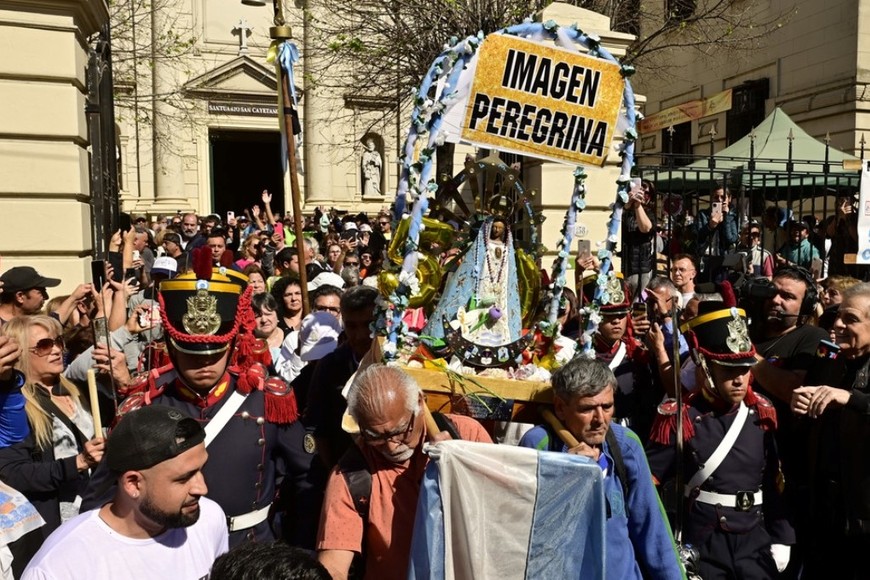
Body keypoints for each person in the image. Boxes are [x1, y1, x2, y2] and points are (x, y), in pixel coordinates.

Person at [82, 263, 325, 548]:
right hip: (167, 548)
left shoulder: (265, 400)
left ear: (232, 347)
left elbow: (309, 480)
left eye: (214, 354)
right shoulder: (145, 407)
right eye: (192, 355)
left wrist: (299, 548)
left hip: (249, 549)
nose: (204, 364)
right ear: (172, 347)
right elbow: (99, 500)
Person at [646, 306, 795, 578]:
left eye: (744, 369)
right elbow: (649, 486)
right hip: (705, 541)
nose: (739, 379)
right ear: (706, 366)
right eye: (728, 370)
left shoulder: (761, 412)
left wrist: (782, 535)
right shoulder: (681, 417)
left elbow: (773, 480)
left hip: (754, 540)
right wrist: (664, 543)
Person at [316, 364, 492, 580]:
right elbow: (333, 568)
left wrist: (462, 465)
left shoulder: (467, 435)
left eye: (399, 431)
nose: (391, 446)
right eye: (374, 436)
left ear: (420, 403)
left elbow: (502, 512)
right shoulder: (349, 477)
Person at [518, 357, 682, 579]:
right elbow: (524, 529)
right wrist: (565, 474)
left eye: (607, 406)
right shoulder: (539, 446)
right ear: (560, 408)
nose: (600, 419)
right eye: (586, 409)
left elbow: (652, 527)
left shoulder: (625, 445)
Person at [22, 405, 227, 579]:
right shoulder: (60, 566)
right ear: (133, 483)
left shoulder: (209, 519)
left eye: (201, 469)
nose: (202, 488)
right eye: (183, 478)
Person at [0, 315, 105, 575]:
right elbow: (12, 473)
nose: (58, 349)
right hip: (54, 529)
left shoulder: (75, 390)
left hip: (96, 515)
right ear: (19, 354)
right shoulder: (15, 408)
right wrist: (78, 463)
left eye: (58, 341)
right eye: (45, 345)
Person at [791, 281, 870, 578]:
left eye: (851, 318)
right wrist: (802, 405)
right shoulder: (831, 360)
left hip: (863, 520)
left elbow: (853, 403)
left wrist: (851, 398)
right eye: (838, 316)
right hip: (824, 511)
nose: (837, 324)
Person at [306, 286, 378, 469]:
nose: (360, 335)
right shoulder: (329, 366)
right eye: (352, 326)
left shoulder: (398, 361)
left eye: (368, 325)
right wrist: (332, 472)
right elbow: (318, 428)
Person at [694, 185, 739, 279]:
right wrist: (710, 226)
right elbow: (696, 235)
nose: (719, 200)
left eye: (723, 197)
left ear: (729, 199)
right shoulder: (702, 214)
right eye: (716, 197)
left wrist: (726, 218)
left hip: (722, 260)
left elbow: (731, 239)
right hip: (704, 258)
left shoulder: (732, 216)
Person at [621, 179, 656, 297]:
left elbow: (645, 229)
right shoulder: (624, 211)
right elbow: (614, 225)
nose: (643, 195)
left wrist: (638, 206)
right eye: (639, 191)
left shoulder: (650, 213)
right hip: (623, 264)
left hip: (640, 268)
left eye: (646, 193)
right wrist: (627, 204)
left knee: (637, 302)